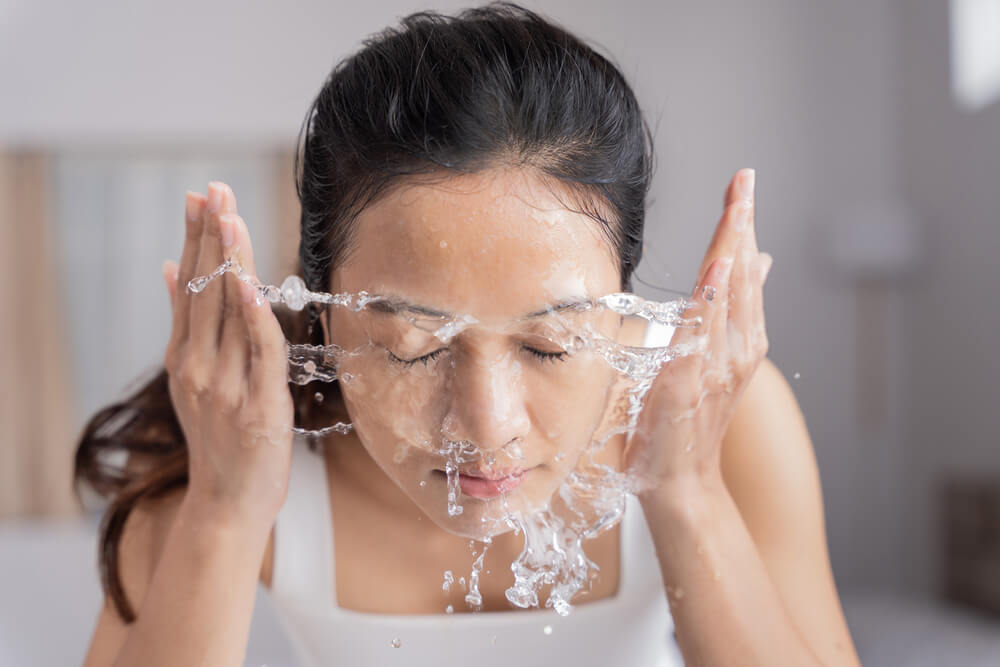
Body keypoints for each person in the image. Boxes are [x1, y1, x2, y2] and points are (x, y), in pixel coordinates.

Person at [76, 3, 860, 666]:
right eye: (414, 347)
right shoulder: (235, 434)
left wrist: (687, 493)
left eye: (552, 346)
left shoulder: (724, 418)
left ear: (621, 300)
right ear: (323, 308)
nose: (486, 427)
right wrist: (224, 505)